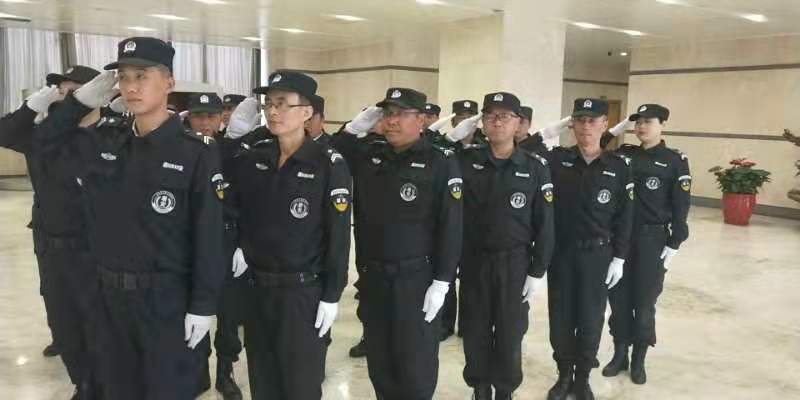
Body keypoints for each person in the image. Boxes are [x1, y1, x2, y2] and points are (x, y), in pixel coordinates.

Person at [36, 37, 225, 400]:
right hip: (108, 302)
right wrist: (78, 104)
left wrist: (203, 305)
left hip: (166, 303)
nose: (131, 86)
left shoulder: (196, 153)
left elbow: (209, 235)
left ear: (168, 83)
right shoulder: (107, 141)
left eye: (142, 76)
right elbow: (43, 144)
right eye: (123, 77)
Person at [225, 71, 352, 400]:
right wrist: (240, 245)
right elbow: (234, 202)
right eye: (268, 103)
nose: (272, 111)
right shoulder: (256, 156)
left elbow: (338, 237)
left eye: (282, 103)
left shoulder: (328, 164)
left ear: (306, 112)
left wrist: (332, 294)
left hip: (301, 293)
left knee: (299, 385)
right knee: (263, 380)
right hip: (257, 288)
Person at [332, 88, 463, 399]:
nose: (391, 121)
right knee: (381, 362)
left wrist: (443, 281)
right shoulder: (369, 154)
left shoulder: (440, 161)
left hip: (416, 280)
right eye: (387, 114)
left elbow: (451, 225)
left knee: (414, 367)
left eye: (400, 114)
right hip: (374, 277)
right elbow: (330, 154)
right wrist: (352, 129)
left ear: (421, 119)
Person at [0, 65, 101, 399]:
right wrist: (31, 106)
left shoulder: (109, 136)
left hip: (92, 248)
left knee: (95, 320)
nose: (63, 100)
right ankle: (82, 382)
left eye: (73, 93)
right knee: (62, 319)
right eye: (60, 93)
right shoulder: (41, 137)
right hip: (50, 245)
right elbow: (5, 133)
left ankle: (99, 382)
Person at [458, 92, 555, 400]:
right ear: (482, 122)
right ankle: (479, 388)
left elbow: (545, 224)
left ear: (519, 123)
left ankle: (504, 389)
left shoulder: (535, 167)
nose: (497, 123)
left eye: (504, 117)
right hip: (474, 261)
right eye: (490, 116)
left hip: (515, 263)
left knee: (510, 332)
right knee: (474, 329)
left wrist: (537, 271)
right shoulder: (466, 161)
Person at [543, 98, 634, 400]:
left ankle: (582, 378)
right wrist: (548, 131)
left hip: (597, 256)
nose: (585, 126)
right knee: (560, 318)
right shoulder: (556, 161)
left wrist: (619, 257)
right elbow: (523, 151)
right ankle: (563, 375)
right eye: (579, 120)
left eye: (592, 121)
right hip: (561, 254)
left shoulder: (619, 167)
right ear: (572, 124)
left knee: (590, 319)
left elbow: (625, 217)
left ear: (604, 125)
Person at [603, 104, 691, 385]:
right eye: (637, 122)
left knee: (643, 303)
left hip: (652, 240)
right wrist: (617, 128)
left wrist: (675, 242)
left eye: (648, 122)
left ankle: (639, 358)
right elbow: (599, 144)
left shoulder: (674, 161)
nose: (641, 127)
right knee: (618, 299)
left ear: (662, 125)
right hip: (620, 238)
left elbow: (681, 205)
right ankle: (620, 354)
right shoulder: (625, 154)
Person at [185, 91, 249, 399]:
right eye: (198, 116)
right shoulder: (178, 151)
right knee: (192, 309)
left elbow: (252, 202)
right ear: (189, 118)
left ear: (221, 119)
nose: (205, 123)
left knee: (228, 314)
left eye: (211, 116)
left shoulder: (234, 152)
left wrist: (244, 244)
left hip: (227, 242)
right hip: (189, 244)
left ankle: (225, 371)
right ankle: (198, 371)